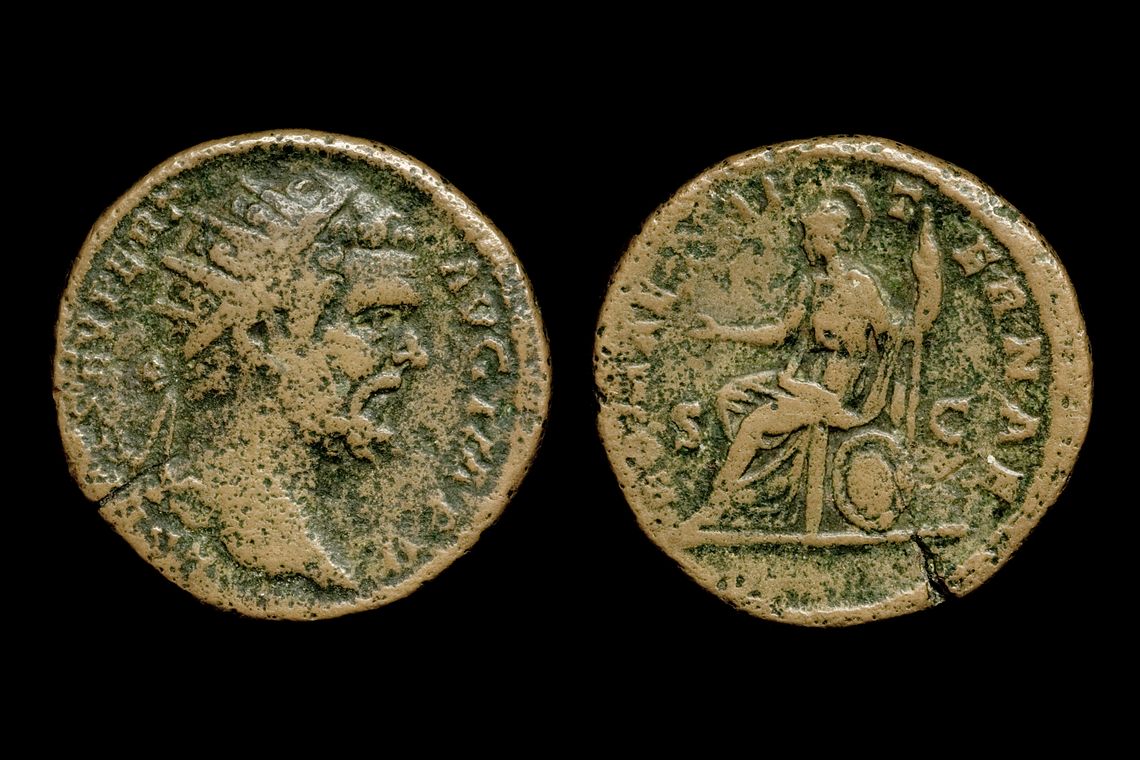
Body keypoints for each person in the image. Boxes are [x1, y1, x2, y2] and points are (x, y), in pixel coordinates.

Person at [687, 188, 902, 531]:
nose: (804, 244)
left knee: (755, 423)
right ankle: (760, 486)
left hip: (837, 389)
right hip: (801, 378)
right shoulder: (812, 286)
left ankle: (717, 504)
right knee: (729, 396)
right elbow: (780, 333)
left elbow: (890, 337)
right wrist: (721, 332)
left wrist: (872, 388)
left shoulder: (860, 286)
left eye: (809, 236)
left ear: (827, 239)